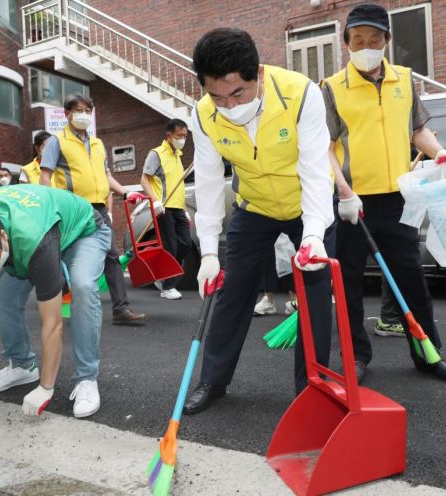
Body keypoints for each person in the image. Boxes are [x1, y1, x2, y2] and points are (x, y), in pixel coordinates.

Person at [183, 28, 345, 414]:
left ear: (257, 73)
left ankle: (312, 387)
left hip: (305, 204)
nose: (228, 105)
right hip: (254, 207)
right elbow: (206, 185)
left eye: (237, 93)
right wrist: (207, 253)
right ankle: (213, 380)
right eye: (216, 96)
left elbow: (314, 168)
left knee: (315, 294)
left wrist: (314, 235)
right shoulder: (204, 116)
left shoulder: (300, 93)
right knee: (232, 291)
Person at [321, 3, 446, 382]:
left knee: (410, 278)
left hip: (399, 198)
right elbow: (324, 147)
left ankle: (427, 353)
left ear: (386, 39)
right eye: (357, 40)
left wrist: (440, 152)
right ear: (346, 44)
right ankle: (356, 358)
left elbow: (417, 130)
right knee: (349, 282)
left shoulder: (404, 78)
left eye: (374, 38)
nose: (366, 45)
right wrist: (343, 190)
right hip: (353, 202)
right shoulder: (332, 88)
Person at [0, 184, 112, 417]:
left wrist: (46, 388)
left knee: (82, 287)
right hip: (37, 228)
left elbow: (53, 324)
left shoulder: (34, 240)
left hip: (83, 230)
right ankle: (22, 366)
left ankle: (87, 379)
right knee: (0, 292)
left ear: (2, 237)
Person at [39, 94, 145, 325]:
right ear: (67, 114)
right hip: (73, 208)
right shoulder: (57, 142)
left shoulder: (97, 144)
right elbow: (45, 175)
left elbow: (107, 176)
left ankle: (121, 309)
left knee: (112, 256)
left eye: (88, 110)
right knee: (68, 256)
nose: (84, 114)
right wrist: (51, 207)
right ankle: (64, 302)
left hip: (98, 207)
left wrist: (126, 192)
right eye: (79, 110)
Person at [140, 119, 192, 300]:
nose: (183, 139)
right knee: (171, 246)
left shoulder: (178, 155)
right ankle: (167, 287)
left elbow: (179, 186)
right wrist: (154, 201)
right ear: (169, 135)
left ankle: (161, 271)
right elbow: (144, 180)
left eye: (185, 135)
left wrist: (185, 210)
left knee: (185, 244)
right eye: (180, 136)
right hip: (163, 208)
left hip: (178, 207)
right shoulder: (156, 154)